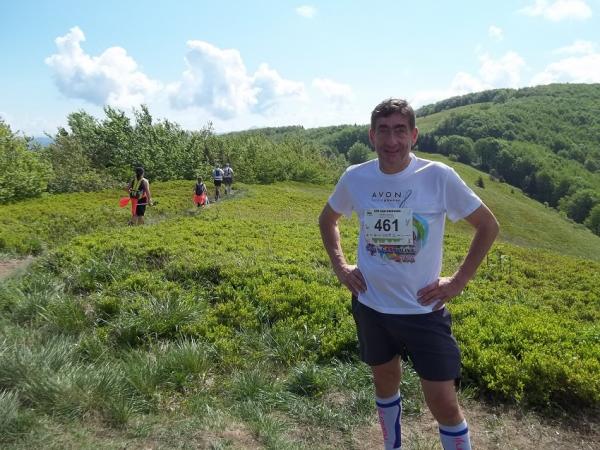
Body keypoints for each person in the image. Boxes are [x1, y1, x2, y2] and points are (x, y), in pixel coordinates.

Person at [318, 98, 499, 450]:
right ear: (371, 136)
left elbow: (488, 226)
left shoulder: (438, 176)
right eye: (383, 131)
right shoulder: (355, 177)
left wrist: (458, 281)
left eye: (400, 130)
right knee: (384, 383)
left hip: (423, 310)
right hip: (372, 307)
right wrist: (340, 266)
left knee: (443, 402)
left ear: (414, 135)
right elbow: (328, 220)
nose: (392, 141)